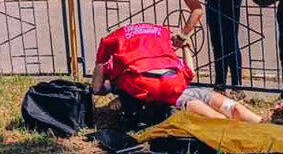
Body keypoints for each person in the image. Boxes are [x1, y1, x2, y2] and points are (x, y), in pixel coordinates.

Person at [92, 23, 261, 123]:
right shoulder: (162, 32)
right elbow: (191, 72)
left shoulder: (112, 42)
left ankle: (225, 125)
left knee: (185, 101)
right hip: (174, 81)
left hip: (141, 84)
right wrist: (186, 46)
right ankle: (260, 123)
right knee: (212, 99)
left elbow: (97, 88)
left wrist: (116, 95)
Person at [134, 0, 244, 98]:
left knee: (229, 41)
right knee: (217, 42)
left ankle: (237, 88)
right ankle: (220, 86)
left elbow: (197, 11)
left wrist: (183, 35)